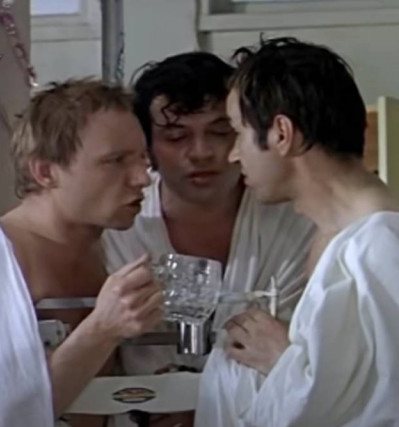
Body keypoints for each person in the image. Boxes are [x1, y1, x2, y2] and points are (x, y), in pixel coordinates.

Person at [195, 37, 399, 427]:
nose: (233, 154)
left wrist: (284, 361)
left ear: (281, 133)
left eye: (238, 132)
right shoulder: (343, 237)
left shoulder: (384, 243)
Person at [0, 79, 163, 427]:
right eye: (116, 161)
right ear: (45, 171)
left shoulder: (116, 251)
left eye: (143, 158)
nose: (143, 178)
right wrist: (100, 330)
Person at [102, 52, 314, 427]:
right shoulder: (117, 228)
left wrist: (204, 402)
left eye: (220, 132)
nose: (201, 153)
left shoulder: (294, 223)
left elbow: (308, 357)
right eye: (176, 136)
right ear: (147, 147)